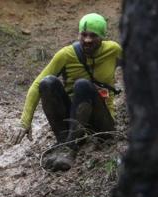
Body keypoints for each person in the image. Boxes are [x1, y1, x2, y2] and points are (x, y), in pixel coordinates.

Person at [13, 13, 122, 171]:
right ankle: (65, 141)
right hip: (73, 120)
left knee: (83, 85)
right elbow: (37, 84)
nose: (87, 40)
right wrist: (24, 122)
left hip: (102, 124)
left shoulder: (113, 50)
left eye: (93, 35)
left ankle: (69, 148)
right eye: (83, 35)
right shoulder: (66, 54)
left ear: (102, 37)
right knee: (47, 83)